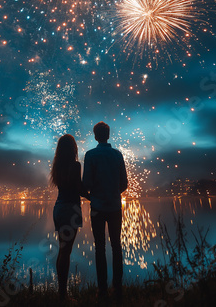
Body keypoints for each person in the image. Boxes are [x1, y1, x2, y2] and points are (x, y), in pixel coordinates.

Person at [83, 121, 128, 299]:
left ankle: (101, 289)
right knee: (116, 246)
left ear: (95, 136)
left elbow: (86, 183)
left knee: (99, 247)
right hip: (116, 207)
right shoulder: (117, 155)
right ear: (108, 135)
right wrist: (112, 193)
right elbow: (124, 183)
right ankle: (118, 287)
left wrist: (95, 195)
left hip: (97, 208)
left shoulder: (90, 155)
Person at [51, 134, 89, 300]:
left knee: (62, 251)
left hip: (59, 208)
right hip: (70, 210)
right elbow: (79, 189)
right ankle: (63, 294)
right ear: (73, 148)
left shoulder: (57, 166)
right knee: (66, 252)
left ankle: (61, 291)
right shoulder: (75, 165)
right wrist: (94, 195)